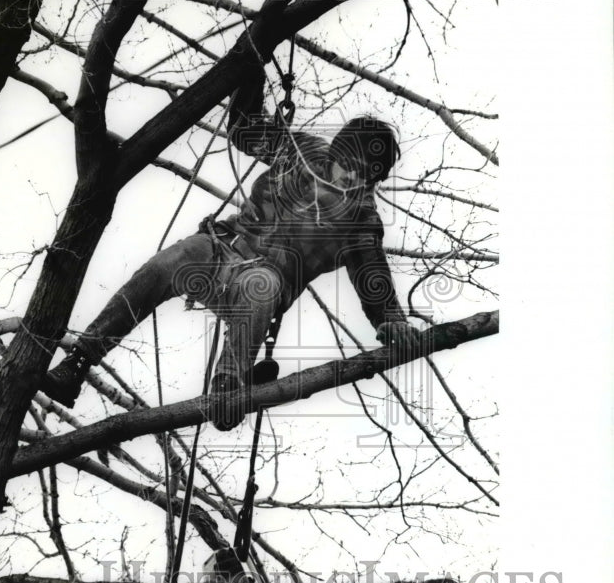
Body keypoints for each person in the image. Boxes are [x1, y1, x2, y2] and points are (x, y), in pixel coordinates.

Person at [42, 65, 420, 429]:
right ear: (339, 151)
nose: (355, 177)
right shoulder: (303, 150)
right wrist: (251, 69)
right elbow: (244, 129)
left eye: (369, 174)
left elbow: (374, 281)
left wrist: (393, 323)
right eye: (351, 164)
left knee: (263, 287)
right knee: (166, 265)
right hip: (219, 248)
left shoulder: (362, 220)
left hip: (261, 280)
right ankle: (78, 362)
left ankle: (228, 388)